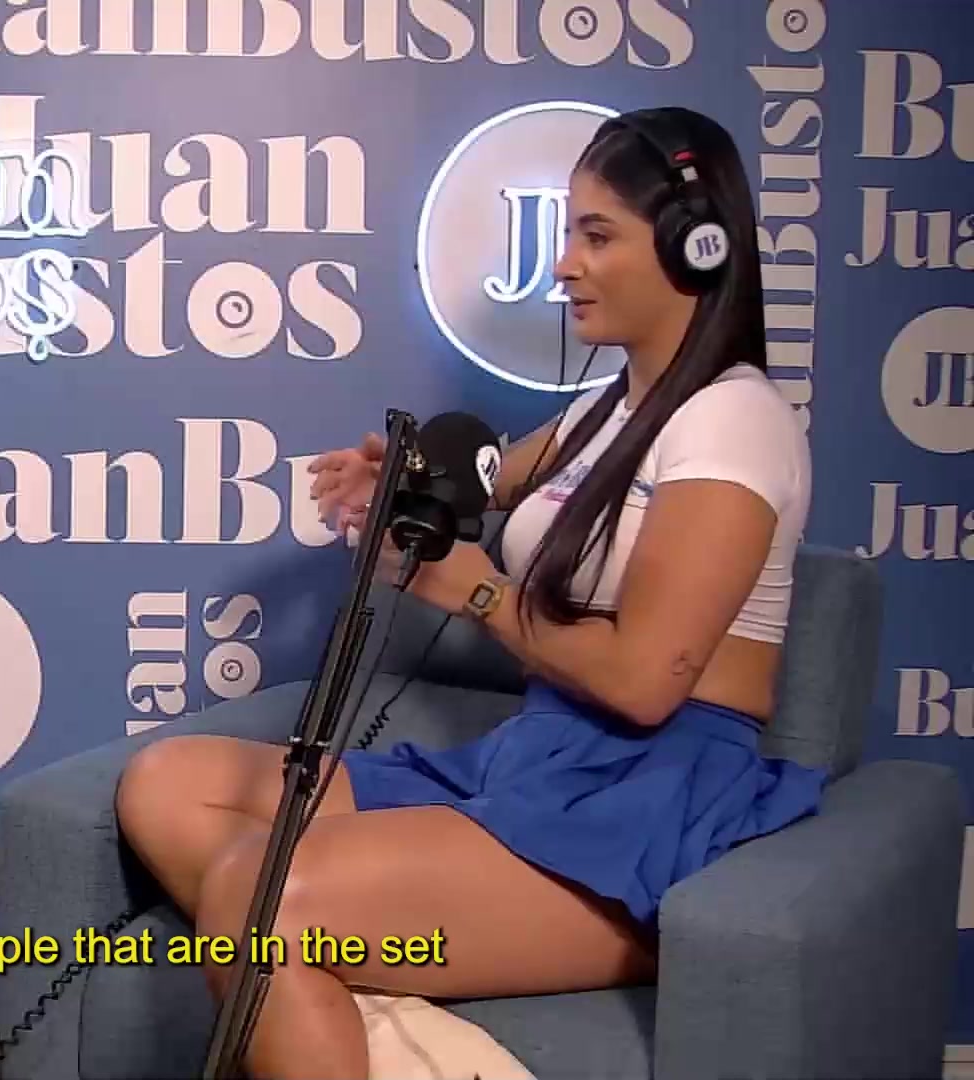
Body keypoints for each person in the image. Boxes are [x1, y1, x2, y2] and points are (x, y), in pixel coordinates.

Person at [114, 106, 825, 1079]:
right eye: (569, 233)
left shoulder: (732, 420)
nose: (564, 265)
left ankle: (319, 978)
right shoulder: (601, 414)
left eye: (597, 235)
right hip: (537, 757)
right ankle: (356, 1012)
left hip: (650, 798)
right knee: (165, 785)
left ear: (692, 247)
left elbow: (645, 683)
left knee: (256, 897)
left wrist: (479, 594)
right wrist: (395, 485)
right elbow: (482, 485)